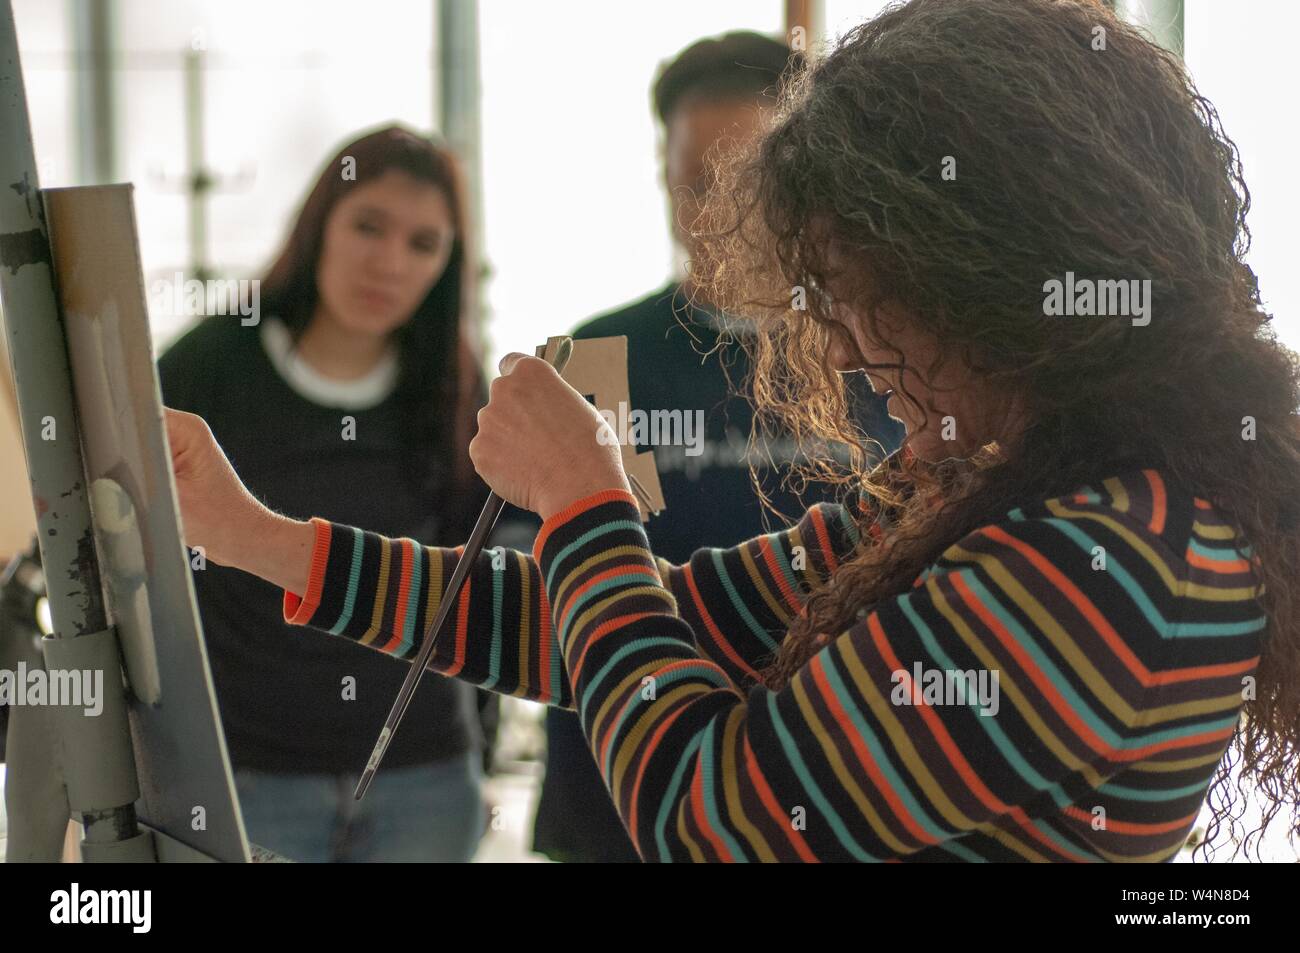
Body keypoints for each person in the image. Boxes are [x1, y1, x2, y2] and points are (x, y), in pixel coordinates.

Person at [165, 0, 1299, 861]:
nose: (844, 346)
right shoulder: (978, 473)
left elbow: (716, 815)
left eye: (864, 293)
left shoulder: (1120, 559)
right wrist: (256, 532)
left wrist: (584, 503)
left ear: (982, 276)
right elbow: (651, 620)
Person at [534, 31, 901, 862]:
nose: (718, 213)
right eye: (693, 182)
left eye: (747, 182)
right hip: (619, 807)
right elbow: (558, 592)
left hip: (831, 800)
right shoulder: (596, 360)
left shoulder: (883, 352)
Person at [158, 125, 499, 862]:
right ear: (319, 226)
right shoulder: (207, 368)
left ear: (448, 264)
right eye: (368, 226)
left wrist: (487, 743)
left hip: (424, 768)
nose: (389, 262)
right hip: (250, 770)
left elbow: (483, 570)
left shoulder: (455, 381)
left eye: (423, 243)